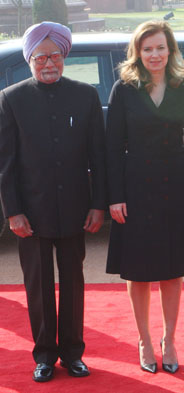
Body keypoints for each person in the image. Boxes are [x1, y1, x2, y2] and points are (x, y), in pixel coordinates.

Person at [0, 22, 107, 382]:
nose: (49, 63)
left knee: (73, 283)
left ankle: (73, 353)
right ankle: (44, 355)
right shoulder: (11, 98)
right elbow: (6, 164)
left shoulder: (85, 96)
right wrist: (13, 211)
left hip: (77, 209)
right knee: (39, 285)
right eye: (41, 56)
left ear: (64, 57)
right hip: (31, 213)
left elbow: (99, 156)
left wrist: (98, 205)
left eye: (56, 55)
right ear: (29, 59)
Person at [105, 20, 184, 374]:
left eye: (160, 48)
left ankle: (170, 339)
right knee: (139, 273)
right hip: (135, 190)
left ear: (171, 50)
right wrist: (115, 196)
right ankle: (144, 340)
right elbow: (111, 148)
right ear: (138, 52)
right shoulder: (124, 89)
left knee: (172, 271)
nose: (154, 54)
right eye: (147, 48)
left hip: (174, 189)